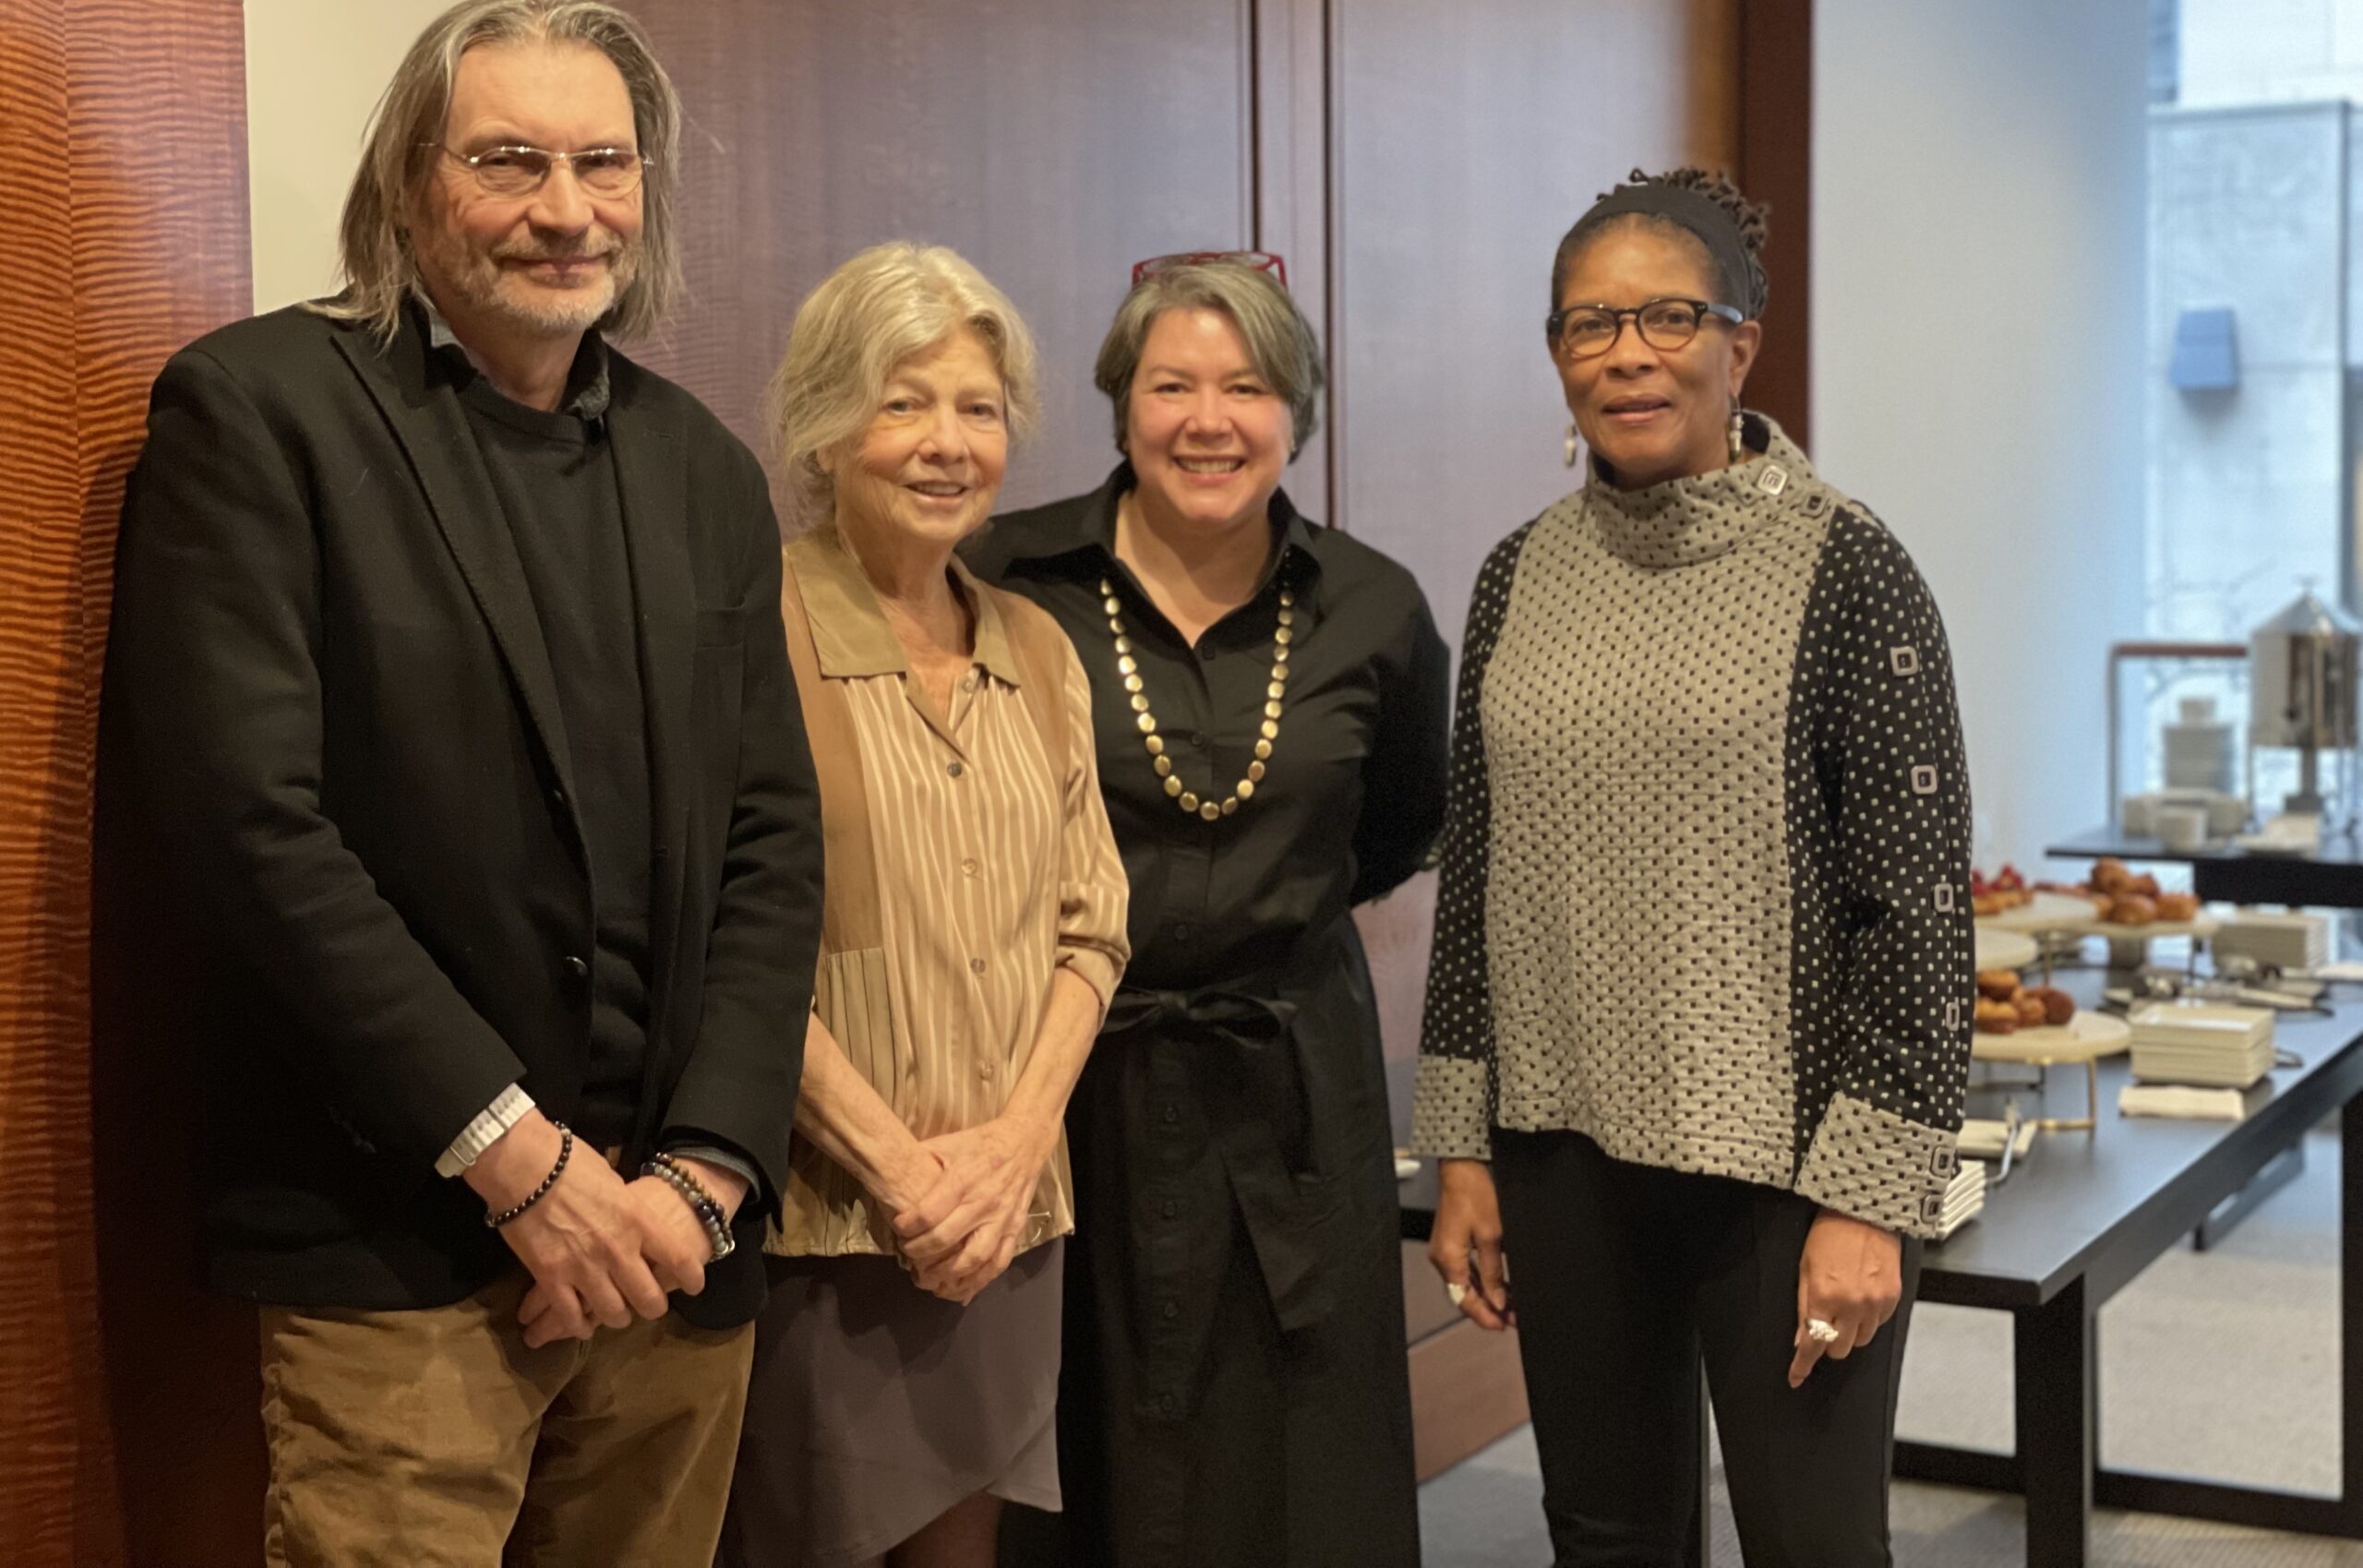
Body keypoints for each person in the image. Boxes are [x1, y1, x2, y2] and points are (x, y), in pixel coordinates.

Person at [102, 0, 823, 1566]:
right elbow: (249, 834)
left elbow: (773, 844)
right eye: (509, 161)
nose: (566, 210)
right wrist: (518, 1162)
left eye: (604, 164)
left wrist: (702, 1178)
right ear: (409, 185)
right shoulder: (260, 413)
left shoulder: (705, 469)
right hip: (400, 1249)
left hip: (671, 1263)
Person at [1414, 167, 1975, 1566]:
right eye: (1587, 325)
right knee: (1603, 1532)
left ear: (1741, 343)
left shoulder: (1847, 568)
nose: (1626, 354)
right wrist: (1464, 1148)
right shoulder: (1514, 577)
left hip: (1786, 1159)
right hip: (1562, 1152)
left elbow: (1912, 901)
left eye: (1667, 317)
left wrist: (1872, 1198)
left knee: (1814, 1541)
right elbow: (1476, 873)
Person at [970, 251, 1450, 1567]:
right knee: (1078, 1436)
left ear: (1296, 412)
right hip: (1065, 1080)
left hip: (1292, 1085)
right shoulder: (1006, 581)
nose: (1208, 420)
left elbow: (1403, 821)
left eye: (1246, 387)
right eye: (1171, 384)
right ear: (1122, 405)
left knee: (1301, 1448)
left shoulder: (1374, 608)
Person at [718, 243, 1131, 1568]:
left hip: (1009, 1223)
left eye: (979, 407)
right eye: (904, 402)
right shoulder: (746, 625)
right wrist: (902, 1175)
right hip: (823, 1226)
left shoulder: (1037, 645)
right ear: (825, 423)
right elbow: (730, 944)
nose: (947, 442)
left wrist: (1009, 1155)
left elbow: (1095, 926)